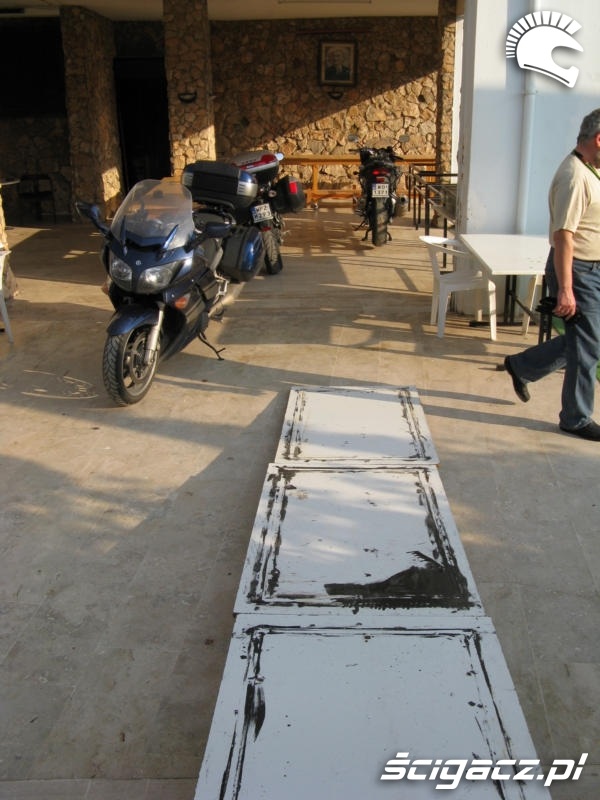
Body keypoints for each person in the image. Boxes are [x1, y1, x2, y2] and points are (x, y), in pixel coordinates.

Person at [504, 107, 600, 440]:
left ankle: (523, 366)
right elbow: (563, 236)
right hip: (579, 272)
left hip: (592, 268)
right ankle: (575, 418)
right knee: (587, 346)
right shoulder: (574, 177)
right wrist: (566, 289)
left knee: (586, 338)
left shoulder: (591, 169)